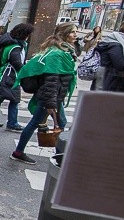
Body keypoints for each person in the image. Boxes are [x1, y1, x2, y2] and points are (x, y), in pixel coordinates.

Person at [10, 22, 78, 165]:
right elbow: (51, 81)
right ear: (64, 34)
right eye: (72, 32)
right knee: (37, 122)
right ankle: (20, 152)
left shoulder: (62, 51)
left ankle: (58, 154)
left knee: (58, 122)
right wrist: (51, 103)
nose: (75, 35)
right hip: (49, 96)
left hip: (54, 96)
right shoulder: (57, 54)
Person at [0, 23, 34, 132]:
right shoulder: (15, 47)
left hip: (1, 76)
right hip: (9, 77)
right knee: (14, 100)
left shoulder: (9, 44)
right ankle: (12, 123)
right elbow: (17, 63)